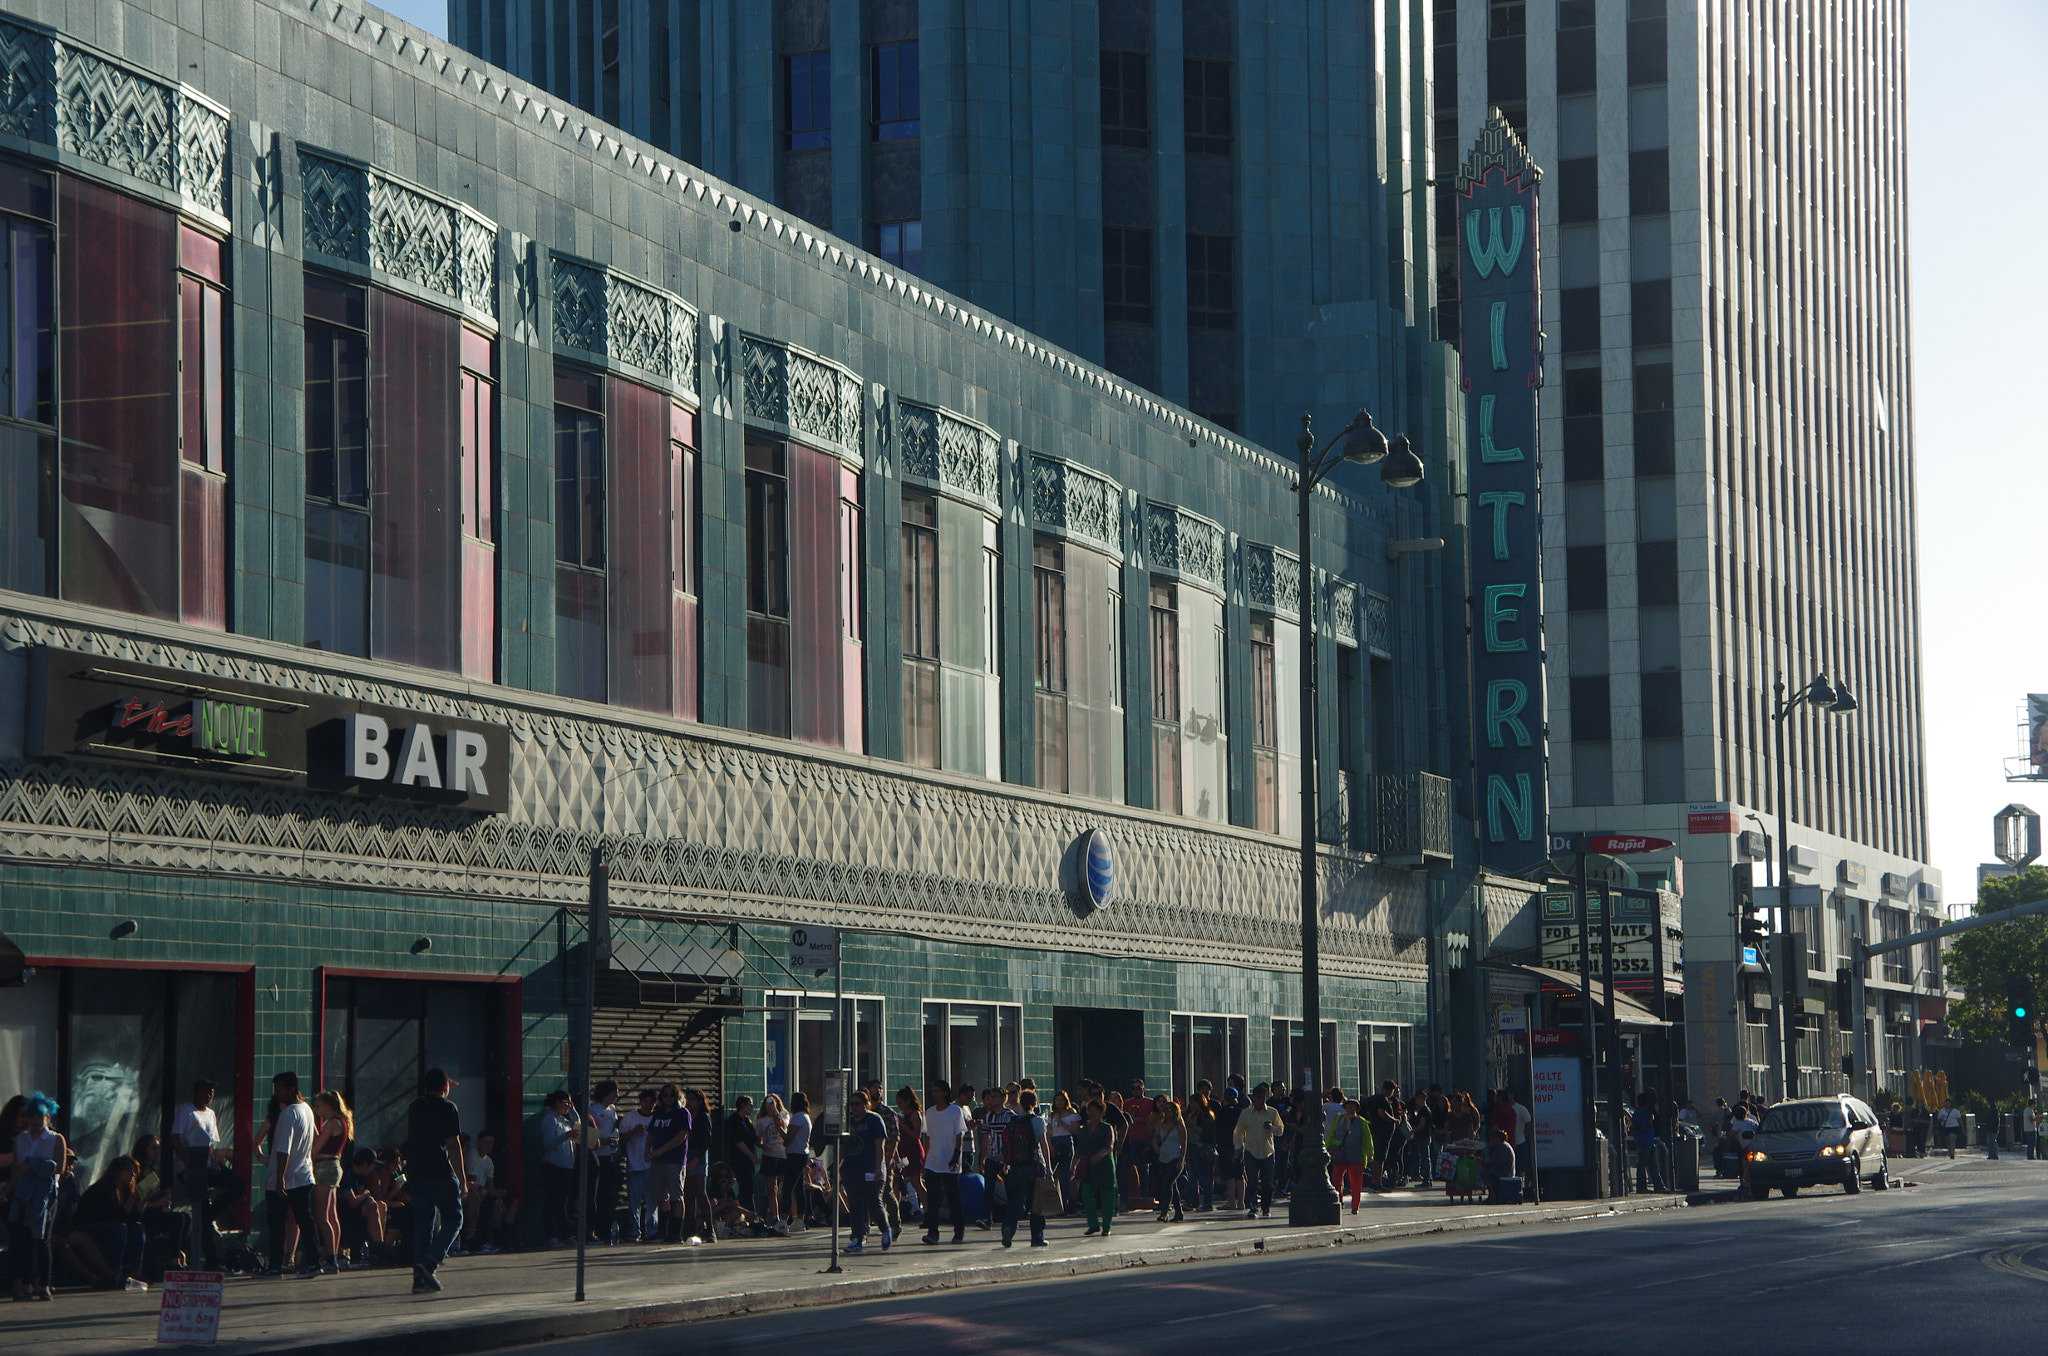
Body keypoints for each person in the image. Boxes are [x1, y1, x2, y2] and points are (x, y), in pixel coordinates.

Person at [170, 1079, 244, 1269]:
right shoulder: (185, 1112)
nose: (208, 1096)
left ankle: (210, 1214)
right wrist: (185, 1160)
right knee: (200, 1209)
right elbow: (175, 1138)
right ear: (196, 1093)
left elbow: (211, 1143)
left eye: (211, 1092)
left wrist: (215, 1163)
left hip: (207, 1165)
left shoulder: (211, 1114)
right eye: (205, 1092)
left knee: (238, 1185)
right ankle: (211, 1260)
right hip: (190, 1168)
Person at [403, 1068, 464, 1293]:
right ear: (445, 1088)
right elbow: (453, 1146)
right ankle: (430, 1261)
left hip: (418, 1174)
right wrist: (463, 1180)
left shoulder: (415, 1107)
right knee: (454, 1218)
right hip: (440, 1172)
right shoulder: (449, 1108)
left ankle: (420, 1278)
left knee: (423, 1222)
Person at [9, 1091, 68, 1301]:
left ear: (48, 1118)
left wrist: (33, 1166)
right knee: (24, 1239)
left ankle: (45, 1283)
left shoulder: (55, 1139)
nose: (34, 1121)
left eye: (39, 1116)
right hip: (25, 1193)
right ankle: (25, 1284)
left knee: (42, 1239)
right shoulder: (21, 1139)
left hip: (45, 1193)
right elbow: (16, 1167)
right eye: (31, 1116)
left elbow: (58, 1168)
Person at [266, 1071, 325, 1278]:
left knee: (277, 1223)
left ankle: (275, 1266)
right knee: (305, 1221)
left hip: (285, 1177)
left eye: (279, 1089)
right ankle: (314, 1262)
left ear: (292, 1089)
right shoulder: (307, 1110)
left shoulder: (288, 1114)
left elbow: (283, 1149)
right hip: (304, 1174)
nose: (276, 1094)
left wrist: (279, 1178)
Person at [72, 1154, 148, 1290]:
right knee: (120, 1229)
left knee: (137, 1227)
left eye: (134, 1172)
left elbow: (131, 1219)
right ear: (118, 1172)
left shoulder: (125, 1190)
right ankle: (116, 1272)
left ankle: (136, 1270)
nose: (132, 1175)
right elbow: (115, 1217)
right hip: (89, 1225)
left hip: (112, 1225)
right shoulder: (105, 1189)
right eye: (128, 1170)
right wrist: (131, 1201)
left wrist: (141, 1202)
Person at [839, 1090, 891, 1252]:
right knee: (855, 1204)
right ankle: (858, 1238)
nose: (854, 1107)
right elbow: (842, 1145)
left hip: (871, 1168)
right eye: (852, 1104)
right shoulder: (847, 1121)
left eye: (858, 1104)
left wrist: (878, 1167)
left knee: (874, 1201)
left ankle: (885, 1229)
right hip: (852, 1169)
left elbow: (879, 1145)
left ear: (866, 1105)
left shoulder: (874, 1120)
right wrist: (839, 1167)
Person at [1000, 1089, 1051, 1247]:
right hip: (1034, 1165)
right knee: (1036, 1203)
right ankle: (1037, 1237)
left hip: (1016, 1166)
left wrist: (1007, 1163)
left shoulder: (1012, 1121)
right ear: (1035, 1103)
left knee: (1016, 1201)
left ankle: (1008, 1227)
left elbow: (1007, 1146)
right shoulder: (1037, 1121)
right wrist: (1048, 1167)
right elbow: (1043, 1145)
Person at [920, 1080, 968, 1244]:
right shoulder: (930, 1112)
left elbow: (959, 1134)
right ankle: (933, 1232)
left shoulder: (955, 1111)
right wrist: (926, 1157)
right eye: (933, 1091)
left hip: (950, 1161)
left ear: (946, 1093)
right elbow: (928, 1136)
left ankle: (959, 1230)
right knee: (932, 1198)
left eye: (938, 1091)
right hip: (933, 1161)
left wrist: (956, 1156)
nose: (935, 1095)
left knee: (953, 1197)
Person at [311, 1091, 353, 1272]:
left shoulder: (331, 1124)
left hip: (324, 1167)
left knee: (322, 1216)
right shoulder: (342, 1123)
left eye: (318, 1106)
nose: (316, 1109)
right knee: (332, 1215)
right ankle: (334, 1254)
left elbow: (315, 1148)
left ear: (328, 1106)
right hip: (334, 1167)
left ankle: (331, 1258)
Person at [643, 1084, 691, 1244]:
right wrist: (646, 1150)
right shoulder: (659, 1114)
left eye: (671, 1095)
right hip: (657, 1160)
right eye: (665, 1095)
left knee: (676, 1196)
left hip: (674, 1160)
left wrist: (662, 1150)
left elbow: (682, 1135)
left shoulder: (682, 1113)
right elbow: (651, 1133)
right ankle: (662, 1231)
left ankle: (676, 1232)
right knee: (661, 1197)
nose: (668, 1098)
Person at [1234, 1083, 1284, 1219]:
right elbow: (1238, 1131)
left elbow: (1280, 1130)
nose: (1261, 1101)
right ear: (1254, 1098)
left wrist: (1271, 1128)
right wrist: (1238, 1147)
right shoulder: (1246, 1113)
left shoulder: (1272, 1112)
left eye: (1264, 1098)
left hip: (1267, 1151)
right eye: (1259, 1098)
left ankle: (1266, 1207)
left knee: (1268, 1182)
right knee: (1252, 1181)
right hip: (1251, 1150)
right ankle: (1253, 1207)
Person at [538, 1089, 579, 1248]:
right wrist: (566, 1136)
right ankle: (551, 1235)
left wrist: (573, 1109)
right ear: (557, 1102)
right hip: (553, 1166)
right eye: (566, 1103)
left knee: (561, 1202)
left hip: (566, 1166)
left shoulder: (563, 1120)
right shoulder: (550, 1120)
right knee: (551, 1202)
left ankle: (565, 1234)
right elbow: (548, 1143)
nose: (568, 1106)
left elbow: (579, 1126)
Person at [586, 1079, 622, 1244]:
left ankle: (607, 1229)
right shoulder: (593, 1110)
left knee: (609, 1195)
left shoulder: (613, 1110)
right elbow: (591, 1136)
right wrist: (604, 1141)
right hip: (598, 1156)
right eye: (614, 1092)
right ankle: (595, 1228)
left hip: (610, 1156)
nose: (617, 1096)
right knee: (598, 1194)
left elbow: (614, 1129)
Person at [467, 1130, 514, 1253]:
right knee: (492, 1203)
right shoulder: (472, 1155)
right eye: (485, 1142)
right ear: (478, 1143)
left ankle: (505, 1237)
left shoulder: (489, 1161)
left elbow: (491, 1185)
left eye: (491, 1143)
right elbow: (474, 1181)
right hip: (476, 1191)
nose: (488, 1146)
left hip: (485, 1192)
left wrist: (498, 1193)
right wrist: (490, 1192)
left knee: (511, 1202)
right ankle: (492, 1239)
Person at [1076, 1098, 1118, 1237]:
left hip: (1105, 1166)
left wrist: (1098, 1156)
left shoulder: (1107, 1128)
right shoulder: (1084, 1129)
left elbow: (1109, 1147)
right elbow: (1080, 1148)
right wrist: (1075, 1165)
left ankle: (1107, 1227)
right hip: (1089, 1167)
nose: (1091, 1113)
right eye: (1089, 1110)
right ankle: (1093, 1224)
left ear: (1101, 1112)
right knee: (1087, 1193)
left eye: (1095, 1110)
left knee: (1107, 1198)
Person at [619, 1089, 656, 1242]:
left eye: (651, 1102)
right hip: (634, 1164)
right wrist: (634, 1131)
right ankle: (635, 1231)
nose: (648, 1105)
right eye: (646, 1101)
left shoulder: (656, 1118)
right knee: (634, 1201)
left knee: (652, 1200)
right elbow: (621, 1139)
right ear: (640, 1102)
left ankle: (652, 1230)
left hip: (651, 1165)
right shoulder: (629, 1118)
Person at [1326, 1099, 1370, 1213]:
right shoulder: (1338, 1119)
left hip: (1356, 1155)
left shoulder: (1362, 1122)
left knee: (1356, 1181)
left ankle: (1355, 1206)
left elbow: (1366, 1139)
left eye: (1353, 1106)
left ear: (1357, 1109)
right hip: (1340, 1154)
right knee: (1336, 1179)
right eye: (1348, 1106)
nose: (1350, 1108)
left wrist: (1370, 1154)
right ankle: (1339, 1202)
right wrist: (1328, 1147)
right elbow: (1332, 1134)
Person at [754, 1094, 789, 1230]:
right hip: (769, 1155)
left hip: (782, 1155)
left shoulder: (783, 1115)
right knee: (771, 1188)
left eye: (772, 1103)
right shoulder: (761, 1121)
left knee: (786, 1186)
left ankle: (786, 1215)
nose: (770, 1106)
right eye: (768, 1104)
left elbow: (782, 1125)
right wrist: (762, 1146)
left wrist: (775, 1111)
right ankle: (775, 1216)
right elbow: (757, 1139)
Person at [1150, 1096, 1187, 1222]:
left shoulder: (1180, 1126)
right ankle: (1179, 1212)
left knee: (1167, 1184)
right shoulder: (1160, 1124)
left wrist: (1181, 1160)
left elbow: (1184, 1144)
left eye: (1170, 1109)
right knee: (1171, 1185)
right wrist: (1155, 1146)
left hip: (1175, 1158)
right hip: (1163, 1157)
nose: (1166, 1111)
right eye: (1165, 1109)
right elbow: (1155, 1138)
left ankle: (1164, 1212)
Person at [723, 1095, 761, 1217]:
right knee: (745, 1186)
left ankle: (748, 1212)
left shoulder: (747, 1122)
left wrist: (754, 1154)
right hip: (739, 1159)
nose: (751, 1108)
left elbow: (752, 1140)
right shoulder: (734, 1121)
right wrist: (750, 1155)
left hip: (748, 1160)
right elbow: (738, 1141)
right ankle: (748, 1212)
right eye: (750, 1105)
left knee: (748, 1187)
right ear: (743, 1105)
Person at [890, 1089, 921, 1223]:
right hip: (903, 1151)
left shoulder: (915, 1115)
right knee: (898, 1180)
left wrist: (901, 1123)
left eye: (901, 1102)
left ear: (908, 1101)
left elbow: (916, 1135)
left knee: (916, 1181)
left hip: (913, 1151)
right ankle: (896, 1212)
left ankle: (926, 1209)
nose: (900, 1105)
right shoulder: (903, 1115)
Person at [784, 1093, 815, 1226]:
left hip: (794, 1154)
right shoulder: (806, 1117)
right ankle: (800, 1219)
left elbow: (788, 1138)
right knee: (798, 1187)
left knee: (788, 1187)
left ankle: (784, 1219)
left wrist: (780, 1128)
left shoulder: (797, 1118)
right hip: (803, 1153)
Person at [1123, 1079, 1154, 1210]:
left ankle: (1144, 1195)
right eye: (1134, 1088)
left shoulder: (1150, 1103)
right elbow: (1124, 1119)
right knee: (1130, 1168)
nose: (1136, 1090)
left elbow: (1153, 1119)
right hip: (1132, 1139)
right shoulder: (1127, 1103)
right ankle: (1131, 1195)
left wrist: (1139, 1119)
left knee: (1144, 1169)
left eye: (1139, 1088)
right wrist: (1129, 1114)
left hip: (1145, 1139)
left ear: (1143, 1089)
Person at [1631, 1092, 1666, 1193]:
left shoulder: (1643, 1111)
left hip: (1649, 1141)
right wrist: (1650, 1120)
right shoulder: (1641, 1112)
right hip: (1644, 1141)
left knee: (1653, 1165)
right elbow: (1642, 1126)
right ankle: (1641, 1187)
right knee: (1642, 1165)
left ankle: (1659, 1186)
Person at [1481, 1128, 1517, 1199]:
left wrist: (1486, 1162)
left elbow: (1499, 1162)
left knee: (1484, 1174)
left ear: (1497, 1139)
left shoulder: (1503, 1147)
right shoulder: (1500, 1147)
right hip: (1503, 1170)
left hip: (1504, 1172)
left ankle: (1492, 1194)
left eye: (1493, 1139)